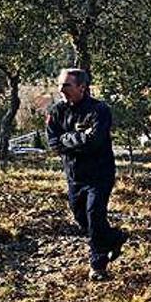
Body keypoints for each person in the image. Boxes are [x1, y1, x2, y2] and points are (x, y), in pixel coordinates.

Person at [46, 68, 125, 281]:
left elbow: (95, 141)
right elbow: (53, 143)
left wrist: (67, 140)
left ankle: (98, 265)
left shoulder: (99, 110)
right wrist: (78, 137)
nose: (61, 90)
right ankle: (115, 237)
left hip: (100, 174)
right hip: (74, 176)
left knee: (94, 214)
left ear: (82, 87)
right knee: (82, 218)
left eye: (67, 85)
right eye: (60, 85)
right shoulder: (56, 111)